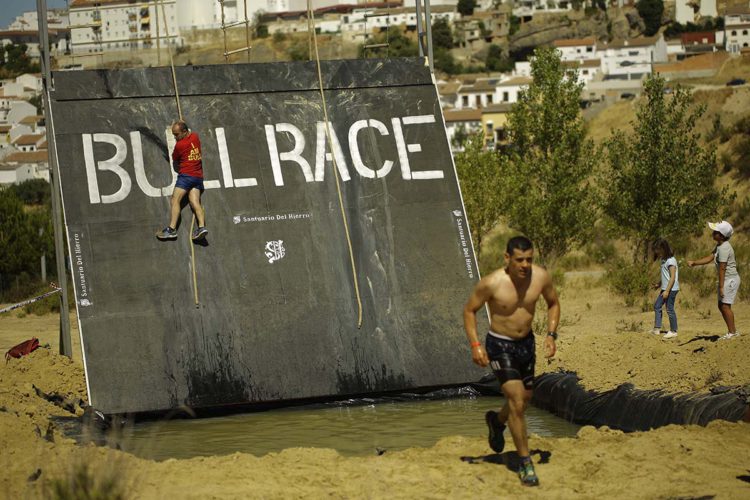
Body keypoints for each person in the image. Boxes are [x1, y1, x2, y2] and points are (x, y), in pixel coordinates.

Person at [463, 236, 560, 487]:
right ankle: (525, 462)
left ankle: (496, 421)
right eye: (519, 260)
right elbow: (469, 310)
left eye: (529, 259)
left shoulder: (540, 277)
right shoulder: (492, 283)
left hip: (526, 344)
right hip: (500, 345)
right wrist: (475, 345)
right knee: (516, 400)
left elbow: (553, 303)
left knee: (524, 400)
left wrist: (551, 334)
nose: (525, 265)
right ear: (507, 258)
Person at [687, 221, 741, 340]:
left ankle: (732, 332)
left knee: (725, 306)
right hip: (726, 280)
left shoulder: (724, 248)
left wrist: (721, 287)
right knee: (721, 305)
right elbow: (710, 257)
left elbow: (722, 268)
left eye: (716, 232)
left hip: (729, 280)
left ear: (721, 236)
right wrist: (695, 262)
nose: (713, 233)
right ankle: (732, 331)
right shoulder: (719, 246)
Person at [156, 120, 208, 241]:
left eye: (177, 134)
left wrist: (179, 144)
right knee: (195, 202)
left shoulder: (180, 145)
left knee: (175, 200)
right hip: (198, 177)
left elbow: (174, 158)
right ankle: (201, 227)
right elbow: (188, 132)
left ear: (184, 132)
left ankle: (171, 230)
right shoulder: (195, 136)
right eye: (174, 134)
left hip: (186, 177)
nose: (175, 137)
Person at [651, 239, 680, 339]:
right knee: (657, 306)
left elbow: (672, 277)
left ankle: (673, 330)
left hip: (671, 289)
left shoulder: (671, 260)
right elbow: (666, 276)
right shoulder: (663, 259)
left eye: (658, 250)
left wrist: (667, 290)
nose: (656, 252)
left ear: (663, 248)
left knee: (669, 309)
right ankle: (657, 328)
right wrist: (659, 284)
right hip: (665, 288)